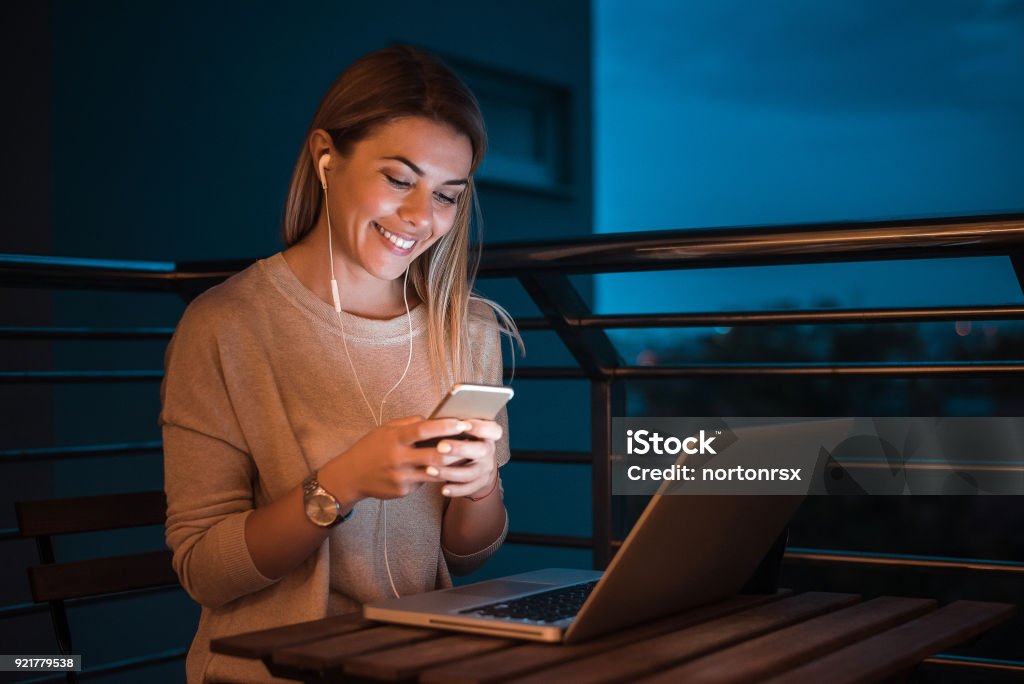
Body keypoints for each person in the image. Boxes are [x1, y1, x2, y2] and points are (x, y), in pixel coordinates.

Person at [160, 45, 520, 683]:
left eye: (446, 195)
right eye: (399, 179)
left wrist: (481, 485)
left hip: (418, 662)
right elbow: (204, 572)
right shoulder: (227, 326)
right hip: (271, 668)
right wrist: (339, 485)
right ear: (327, 158)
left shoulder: (468, 329)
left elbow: (467, 559)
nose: (420, 217)